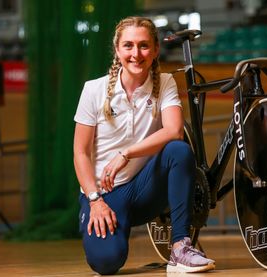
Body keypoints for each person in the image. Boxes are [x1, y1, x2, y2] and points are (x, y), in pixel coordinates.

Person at [73, 16, 215, 275]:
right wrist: (95, 200)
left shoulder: (166, 83)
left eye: (143, 46)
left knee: (178, 151)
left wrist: (125, 153)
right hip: (105, 196)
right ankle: (113, 229)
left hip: (144, 190)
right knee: (106, 263)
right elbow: (80, 153)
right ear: (117, 49)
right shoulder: (93, 90)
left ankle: (180, 248)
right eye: (128, 46)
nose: (136, 54)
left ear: (155, 50)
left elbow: (174, 131)